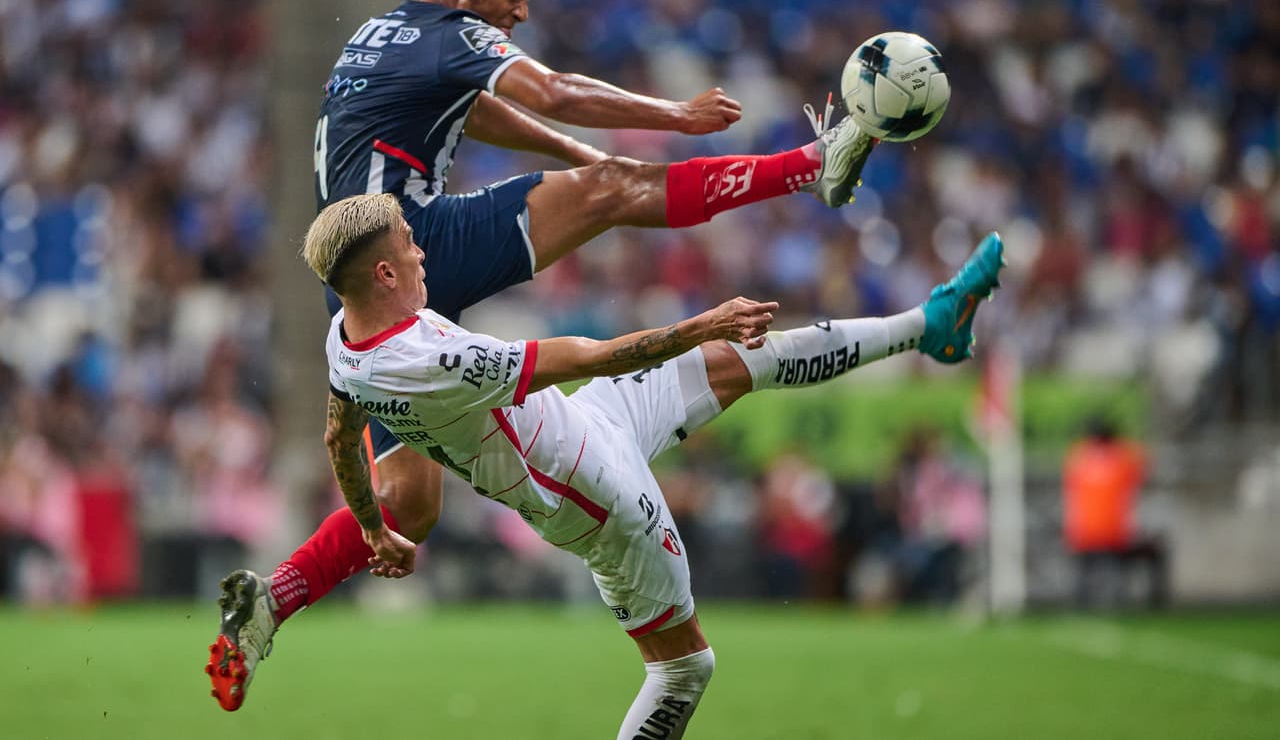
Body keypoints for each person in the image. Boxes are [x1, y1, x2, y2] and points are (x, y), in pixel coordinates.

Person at [208, 0, 878, 710]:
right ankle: (811, 164)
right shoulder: (453, 35)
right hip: (411, 242)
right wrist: (675, 116)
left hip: (359, 289)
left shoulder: (385, 36)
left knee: (410, 505)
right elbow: (553, 90)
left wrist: (576, 155)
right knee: (615, 195)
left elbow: (475, 111)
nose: (521, 12)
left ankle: (273, 598)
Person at [206, 193, 1003, 733]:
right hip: (593, 493)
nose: (422, 253)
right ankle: (924, 327)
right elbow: (590, 352)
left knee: (745, 360)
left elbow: (340, 438)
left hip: (592, 419)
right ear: (382, 272)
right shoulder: (434, 359)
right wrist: (699, 322)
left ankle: (929, 325)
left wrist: (374, 525)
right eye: (409, 245)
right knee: (685, 669)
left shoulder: (344, 341)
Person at [1063, 417, 1167, 609]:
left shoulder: (1078, 458)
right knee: (1157, 551)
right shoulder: (1124, 459)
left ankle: (1081, 599)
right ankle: (1157, 604)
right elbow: (1148, 464)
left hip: (1082, 537)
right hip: (1116, 537)